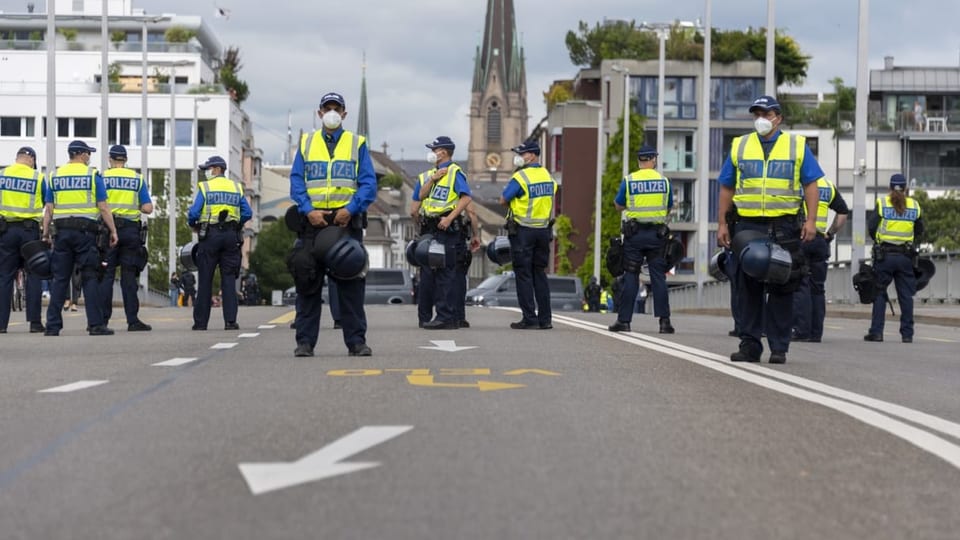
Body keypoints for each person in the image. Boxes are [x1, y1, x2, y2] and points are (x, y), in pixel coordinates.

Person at [717, 95, 822, 364]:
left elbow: (811, 185)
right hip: (748, 225)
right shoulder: (740, 145)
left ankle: (778, 347)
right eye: (756, 114)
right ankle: (750, 345)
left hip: (784, 225)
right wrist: (721, 224)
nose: (761, 119)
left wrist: (811, 221)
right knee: (747, 288)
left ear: (779, 118)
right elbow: (727, 186)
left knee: (782, 286)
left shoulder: (796, 146)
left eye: (766, 113)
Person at [289, 91, 376, 356]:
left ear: (344, 114)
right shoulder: (306, 143)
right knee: (307, 282)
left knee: (350, 286)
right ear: (319, 113)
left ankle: (356, 342)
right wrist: (308, 209)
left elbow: (368, 184)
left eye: (336, 108)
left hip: (344, 225)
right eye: (327, 108)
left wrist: (350, 209)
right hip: (312, 224)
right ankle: (304, 342)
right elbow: (296, 181)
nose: (332, 113)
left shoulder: (356, 143)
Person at [41, 140, 118, 336]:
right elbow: (103, 206)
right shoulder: (92, 175)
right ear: (81, 154)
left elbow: (49, 209)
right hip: (85, 234)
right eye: (88, 153)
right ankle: (95, 324)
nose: (89, 157)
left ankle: (52, 326)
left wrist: (45, 232)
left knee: (60, 278)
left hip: (62, 233)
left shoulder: (55, 176)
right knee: (90, 276)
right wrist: (113, 231)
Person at [608, 145, 675, 335]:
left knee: (630, 276)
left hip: (634, 236)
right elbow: (668, 206)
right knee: (658, 278)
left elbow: (618, 205)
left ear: (639, 161)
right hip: (657, 236)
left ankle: (624, 321)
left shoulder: (629, 181)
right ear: (654, 160)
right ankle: (664, 322)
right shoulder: (664, 182)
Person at [186, 155, 252, 331]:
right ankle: (230, 321)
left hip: (210, 236)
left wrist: (194, 225)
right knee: (229, 280)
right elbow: (247, 212)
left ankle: (201, 323)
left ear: (216, 169)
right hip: (231, 237)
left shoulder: (206, 187)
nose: (207, 172)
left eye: (208, 169)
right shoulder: (235, 187)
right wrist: (235, 224)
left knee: (205, 280)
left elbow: (194, 212)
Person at [499, 141, 557, 330]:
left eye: (522, 154)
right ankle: (546, 319)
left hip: (523, 231)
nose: (520, 157)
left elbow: (503, 199)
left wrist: (515, 207)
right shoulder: (547, 176)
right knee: (539, 274)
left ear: (532, 155)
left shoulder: (521, 177)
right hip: (543, 231)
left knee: (523, 275)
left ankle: (529, 318)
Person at [418, 136, 473, 330]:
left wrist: (450, 218)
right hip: (433, 226)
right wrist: (432, 179)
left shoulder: (455, 172)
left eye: (435, 149)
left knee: (445, 273)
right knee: (438, 272)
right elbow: (421, 196)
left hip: (447, 227)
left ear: (444, 152)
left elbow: (466, 198)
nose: (433, 152)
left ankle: (446, 317)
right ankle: (442, 316)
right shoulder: (433, 174)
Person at [97, 145, 153, 331]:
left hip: (108, 230)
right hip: (130, 231)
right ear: (126, 160)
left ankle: (103, 320)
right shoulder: (137, 179)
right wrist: (132, 206)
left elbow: (98, 204)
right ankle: (133, 320)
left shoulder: (102, 177)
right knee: (129, 277)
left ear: (110, 160)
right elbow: (147, 208)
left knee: (106, 276)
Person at [864, 173, 924, 343]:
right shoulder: (914, 206)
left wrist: (878, 241)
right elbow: (920, 230)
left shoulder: (883, 203)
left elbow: (872, 227)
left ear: (890, 188)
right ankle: (907, 334)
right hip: (905, 257)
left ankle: (876, 332)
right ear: (906, 188)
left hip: (884, 256)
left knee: (880, 292)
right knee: (906, 296)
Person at [792, 177, 849, 342]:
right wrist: (830, 234)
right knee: (817, 288)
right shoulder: (828, 186)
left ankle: (801, 330)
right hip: (819, 241)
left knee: (800, 285)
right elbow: (843, 213)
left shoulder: (796, 182)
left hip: (800, 239)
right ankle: (816, 333)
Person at [0, 146, 45, 334]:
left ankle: (1, 324)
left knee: (4, 276)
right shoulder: (38, 177)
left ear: (16, 158)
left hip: (5, 231)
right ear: (32, 160)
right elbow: (47, 204)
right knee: (34, 275)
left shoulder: (2, 175)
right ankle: (35, 322)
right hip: (29, 232)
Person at [411, 167, 436, 328]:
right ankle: (447, 316)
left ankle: (424, 317)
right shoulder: (456, 174)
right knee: (446, 276)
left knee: (426, 275)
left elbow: (414, 210)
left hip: (427, 229)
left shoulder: (424, 177)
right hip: (448, 228)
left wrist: (418, 228)